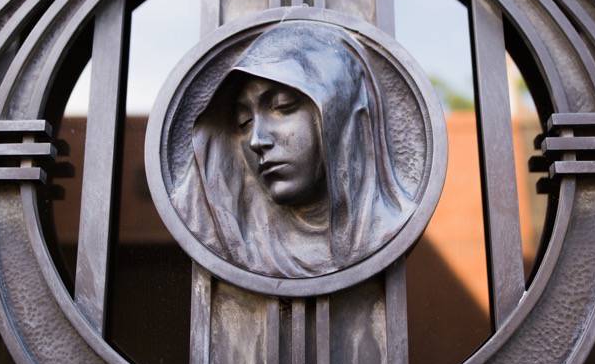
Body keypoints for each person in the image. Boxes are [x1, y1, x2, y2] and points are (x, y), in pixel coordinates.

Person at [171, 20, 415, 277]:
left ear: (337, 114)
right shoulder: (230, 240)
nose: (256, 140)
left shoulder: (389, 228)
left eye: (282, 106)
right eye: (244, 122)